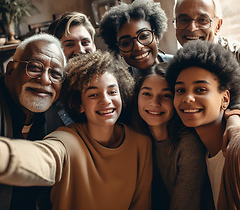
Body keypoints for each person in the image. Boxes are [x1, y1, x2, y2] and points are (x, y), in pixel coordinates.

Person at [0, 50, 153, 210]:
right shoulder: (66, 141)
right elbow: (38, 159)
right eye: (93, 94)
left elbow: (141, 204)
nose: (106, 101)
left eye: (112, 92)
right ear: (79, 105)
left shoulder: (141, 144)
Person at [166, 40, 240, 209]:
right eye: (180, 90)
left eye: (200, 89)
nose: (187, 98)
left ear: (225, 99)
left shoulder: (236, 151)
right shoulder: (203, 154)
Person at [0, 33, 66, 210]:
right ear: (11, 70)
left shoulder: (55, 120)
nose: (45, 80)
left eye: (55, 73)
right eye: (35, 67)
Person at [134, 63, 213, 210]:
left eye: (166, 95)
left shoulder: (188, 144)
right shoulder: (136, 138)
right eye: (147, 93)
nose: (154, 103)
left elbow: (185, 205)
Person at [46, 11, 97, 132]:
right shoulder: (48, 97)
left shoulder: (113, 85)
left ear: (94, 46)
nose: (80, 50)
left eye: (85, 43)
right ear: (56, 51)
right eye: (70, 44)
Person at [99, 0, 173, 78]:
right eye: (126, 43)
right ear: (119, 50)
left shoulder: (179, 66)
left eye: (144, 36)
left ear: (155, 36)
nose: (138, 47)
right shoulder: (123, 85)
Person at [173, 0, 240, 62]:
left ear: (218, 26)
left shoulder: (237, 57)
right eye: (184, 20)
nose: (192, 28)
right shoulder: (174, 67)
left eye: (202, 20)